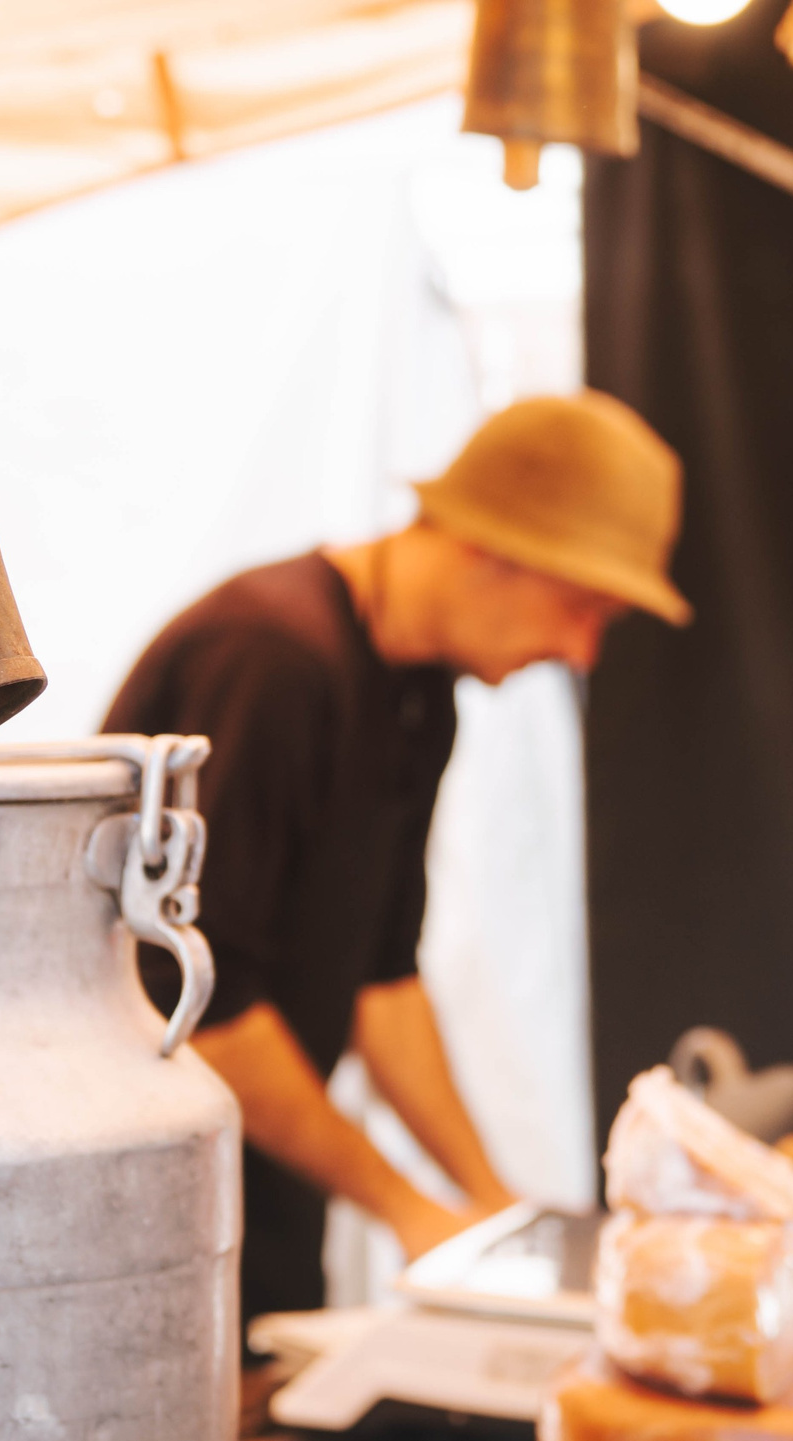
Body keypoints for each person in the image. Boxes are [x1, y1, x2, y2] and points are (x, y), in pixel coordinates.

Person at [103, 392, 689, 1323]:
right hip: (134, 1210)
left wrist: (494, 1208)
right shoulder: (270, 657)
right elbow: (190, 999)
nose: (579, 652)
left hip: (266, 1181)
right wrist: (407, 1209)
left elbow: (383, 980)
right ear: (491, 546)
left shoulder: (420, 693)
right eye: (585, 610)